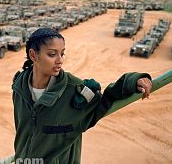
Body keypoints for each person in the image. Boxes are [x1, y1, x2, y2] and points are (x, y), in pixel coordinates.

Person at [12, 28, 152, 164]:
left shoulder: (75, 91)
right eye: (52, 54)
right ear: (33, 55)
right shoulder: (19, 87)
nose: (60, 60)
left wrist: (132, 81)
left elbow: (106, 100)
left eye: (62, 54)